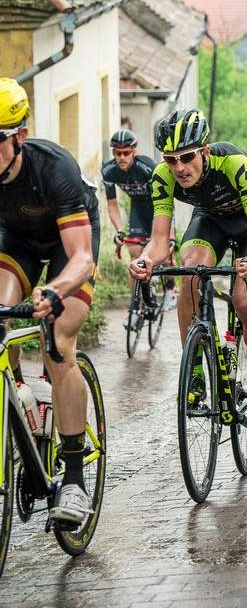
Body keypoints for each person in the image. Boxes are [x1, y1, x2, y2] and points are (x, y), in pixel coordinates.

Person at [129, 108, 247, 435]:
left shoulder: (234, 165)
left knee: (244, 299)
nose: (179, 167)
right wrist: (145, 259)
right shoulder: (163, 176)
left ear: (205, 151)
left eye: (187, 157)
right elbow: (159, 241)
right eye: (171, 159)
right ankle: (195, 370)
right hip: (211, 218)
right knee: (190, 274)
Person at [0, 78, 99, 524]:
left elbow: (81, 257)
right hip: (17, 242)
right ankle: (21, 399)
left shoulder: (53, 168)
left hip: (68, 245)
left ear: (19, 136)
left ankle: (74, 481)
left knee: (57, 342)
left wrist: (56, 290)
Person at [102, 129, 176, 312]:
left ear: (134, 151)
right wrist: (119, 231)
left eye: (126, 152)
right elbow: (112, 204)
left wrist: (170, 236)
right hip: (138, 209)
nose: (121, 157)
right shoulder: (109, 171)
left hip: (159, 208)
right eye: (117, 153)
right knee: (135, 254)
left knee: (165, 255)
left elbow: (165, 201)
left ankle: (170, 290)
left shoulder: (147, 167)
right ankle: (135, 306)